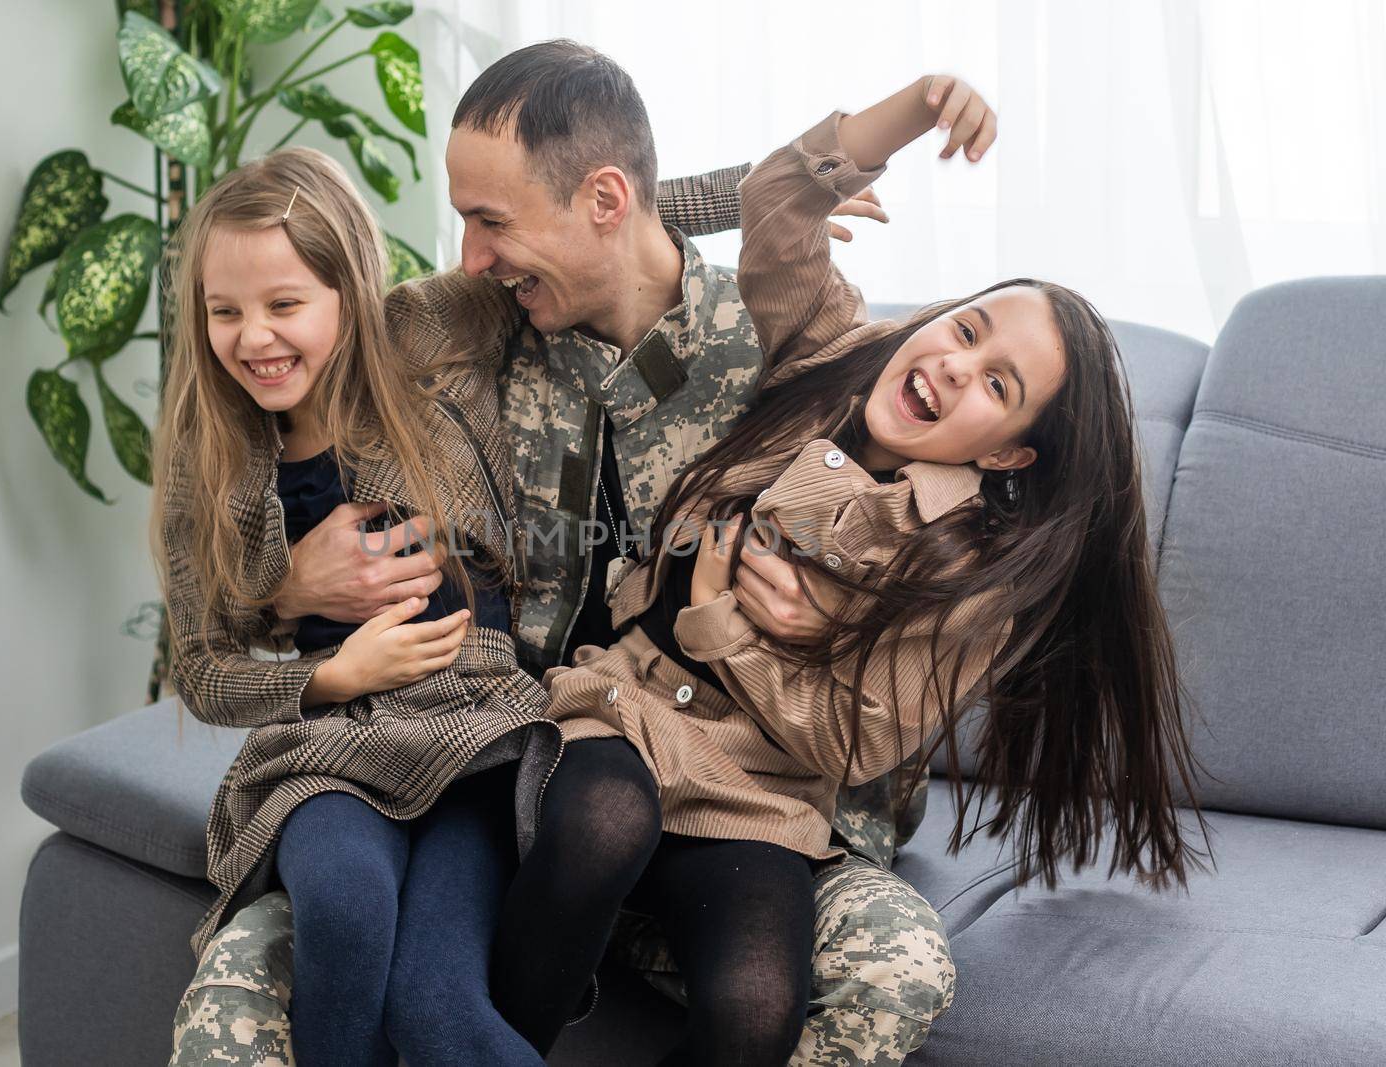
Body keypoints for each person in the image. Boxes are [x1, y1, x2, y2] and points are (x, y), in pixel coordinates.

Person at [182, 40, 965, 1067]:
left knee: (895, 964)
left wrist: (804, 180)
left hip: (736, 793)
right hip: (516, 770)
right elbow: (282, 372)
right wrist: (291, 586)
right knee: (240, 997)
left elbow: (936, 501)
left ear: (604, 201)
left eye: (491, 223)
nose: (466, 253)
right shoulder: (460, 323)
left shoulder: (780, 339)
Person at [508, 74, 1209, 1065]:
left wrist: (733, 624)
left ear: (1009, 451)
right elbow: (777, 204)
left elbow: (846, 739)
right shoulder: (823, 353)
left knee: (757, 1002)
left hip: (757, 790)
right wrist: (915, 112)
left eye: (996, 385)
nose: (957, 367)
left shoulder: (971, 574)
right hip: (619, 706)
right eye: (965, 330)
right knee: (602, 820)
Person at [154, 143, 751, 1064]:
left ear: (352, 291)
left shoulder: (426, 335)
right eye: (223, 311)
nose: (254, 338)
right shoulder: (213, 462)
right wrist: (325, 666)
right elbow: (198, 670)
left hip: (477, 740)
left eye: (284, 306)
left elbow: (599, 217)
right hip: (332, 750)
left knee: (436, 1007)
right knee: (346, 917)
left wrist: (791, 183)